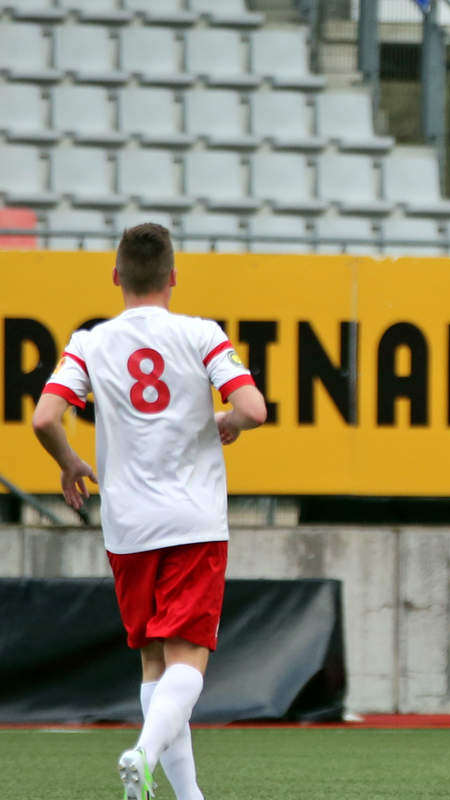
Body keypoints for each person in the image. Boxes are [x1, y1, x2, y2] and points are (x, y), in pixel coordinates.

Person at [31, 223, 267, 800]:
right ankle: (144, 750)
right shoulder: (200, 333)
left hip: (128, 526)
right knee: (188, 660)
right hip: (192, 520)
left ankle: (185, 796)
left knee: (153, 665)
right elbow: (253, 408)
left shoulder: (90, 342)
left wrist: (69, 463)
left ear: (116, 277)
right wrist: (227, 423)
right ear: (173, 278)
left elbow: (44, 418)